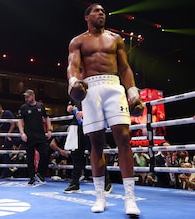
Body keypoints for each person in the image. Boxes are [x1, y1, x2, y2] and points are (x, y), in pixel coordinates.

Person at [66, 3, 143, 216]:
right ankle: (100, 196)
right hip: (90, 88)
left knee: (124, 138)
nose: (102, 13)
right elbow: (72, 66)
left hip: (113, 86)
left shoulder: (115, 39)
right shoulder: (78, 41)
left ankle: (130, 198)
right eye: (97, 11)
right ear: (87, 17)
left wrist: (133, 91)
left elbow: (125, 67)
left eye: (103, 11)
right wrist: (73, 81)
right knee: (96, 143)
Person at [17, 89, 52, 185]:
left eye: (28, 97)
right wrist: (22, 133)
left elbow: (46, 118)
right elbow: (20, 121)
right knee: (30, 157)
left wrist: (49, 130)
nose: (26, 99)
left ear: (33, 96)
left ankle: (40, 173)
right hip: (29, 136)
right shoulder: (23, 108)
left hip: (40, 135)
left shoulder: (40, 106)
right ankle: (31, 177)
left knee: (45, 153)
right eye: (25, 97)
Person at [0, 103, 22, 178]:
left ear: (0, 108)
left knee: (24, 148)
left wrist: (9, 134)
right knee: (5, 153)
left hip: (15, 134)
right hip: (7, 137)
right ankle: (6, 173)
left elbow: (13, 124)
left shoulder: (7, 113)